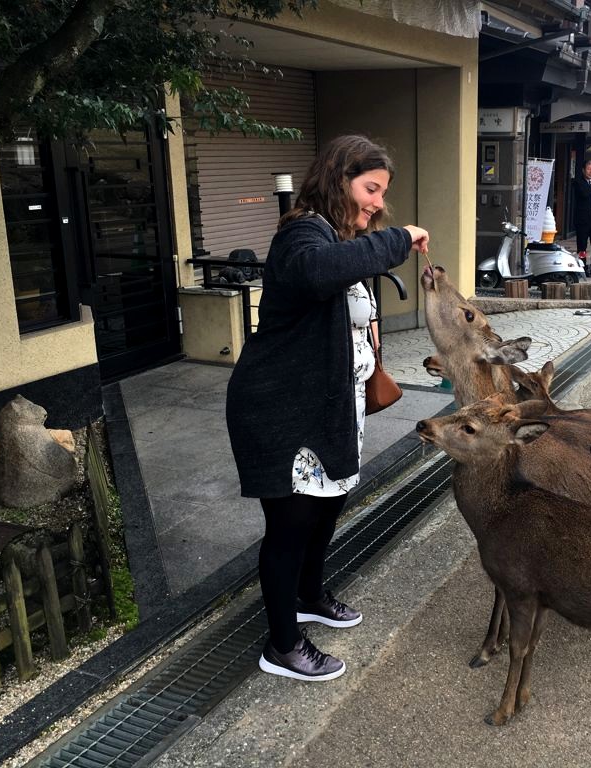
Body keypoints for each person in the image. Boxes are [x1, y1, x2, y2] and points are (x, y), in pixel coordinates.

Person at [226, 135, 430, 682]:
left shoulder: (336, 237)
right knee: (290, 526)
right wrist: (399, 238)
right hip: (284, 410)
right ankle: (282, 644)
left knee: (325, 509)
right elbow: (320, 272)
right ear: (340, 180)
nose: (378, 204)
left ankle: (310, 595)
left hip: (330, 407)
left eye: (382, 193)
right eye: (371, 189)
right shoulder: (302, 233)